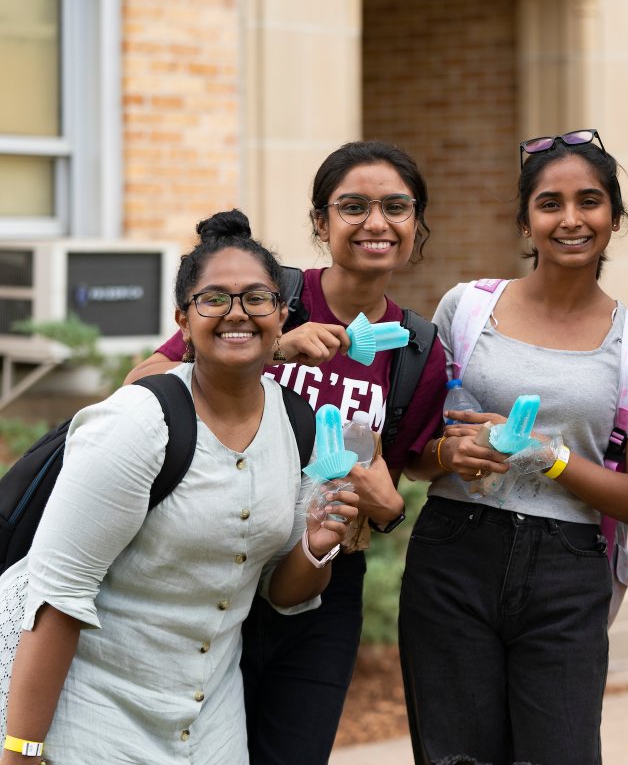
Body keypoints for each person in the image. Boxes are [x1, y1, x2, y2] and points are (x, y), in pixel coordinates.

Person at [124, 142, 448, 763]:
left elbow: (391, 480)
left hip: (325, 579)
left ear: (415, 225)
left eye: (395, 207)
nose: (375, 222)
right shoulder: (271, 297)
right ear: (321, 223)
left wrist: (392, 508)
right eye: (352, 206)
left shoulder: (418, 349)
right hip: (214, 558)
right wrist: (266, 348)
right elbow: (140, 387)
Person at [0, 211, 356, 765]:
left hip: (212, 724)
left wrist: (318, 543)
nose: (236, 313)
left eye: (257, 298)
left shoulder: (296, 425)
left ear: (281, 315)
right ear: (183, 322)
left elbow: (284, 595)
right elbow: (59, 595)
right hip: (95, 715)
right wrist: (21, 750)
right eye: (213, 299)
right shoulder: (138, 424)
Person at [399, 129, 628, 765]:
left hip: (566, 571)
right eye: (550, 203)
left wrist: (547, 457)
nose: (570, 219)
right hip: (454, 553)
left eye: (590, 201)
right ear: (526, 222)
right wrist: (446, 454)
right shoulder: (466, 309)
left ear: (615, 217)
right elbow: (414, 454)